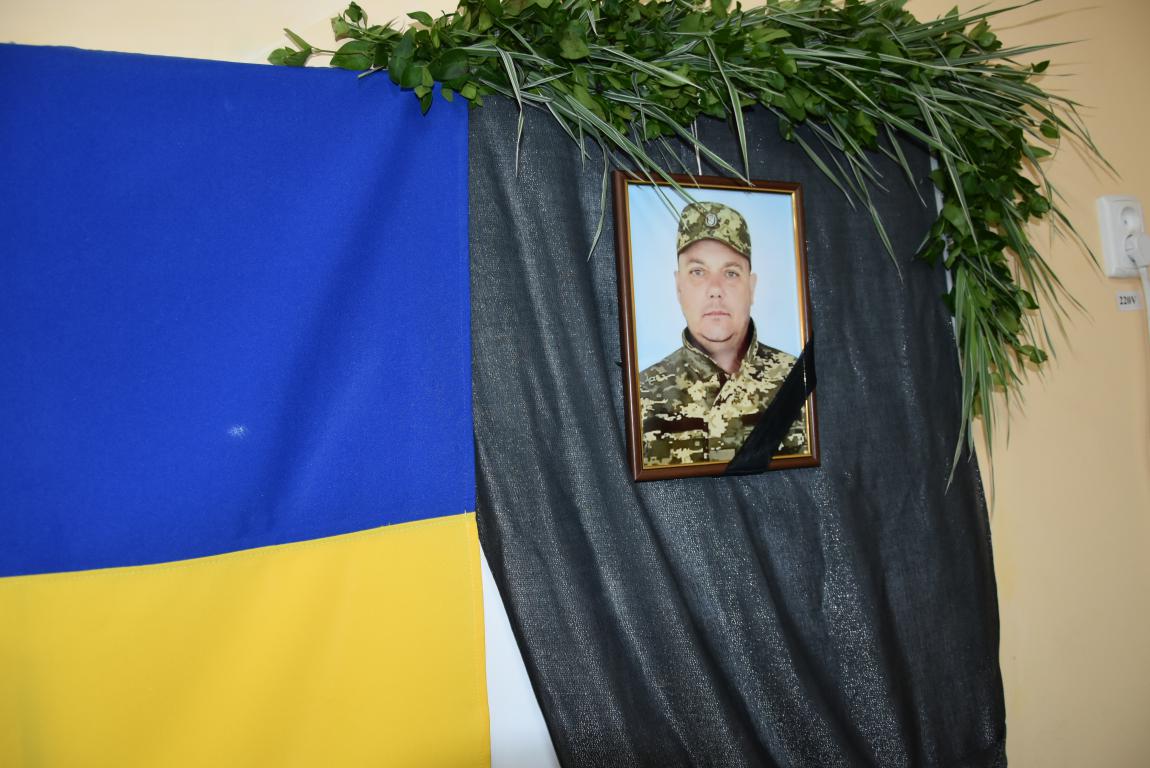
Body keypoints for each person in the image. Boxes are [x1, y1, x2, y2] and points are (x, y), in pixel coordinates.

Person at [639, 201, 807, 467]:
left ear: (751, 287)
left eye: (730, 273)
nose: (715, 289)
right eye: (698, 272)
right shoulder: (642, 393)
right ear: (678, 286)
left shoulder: (798, 381)